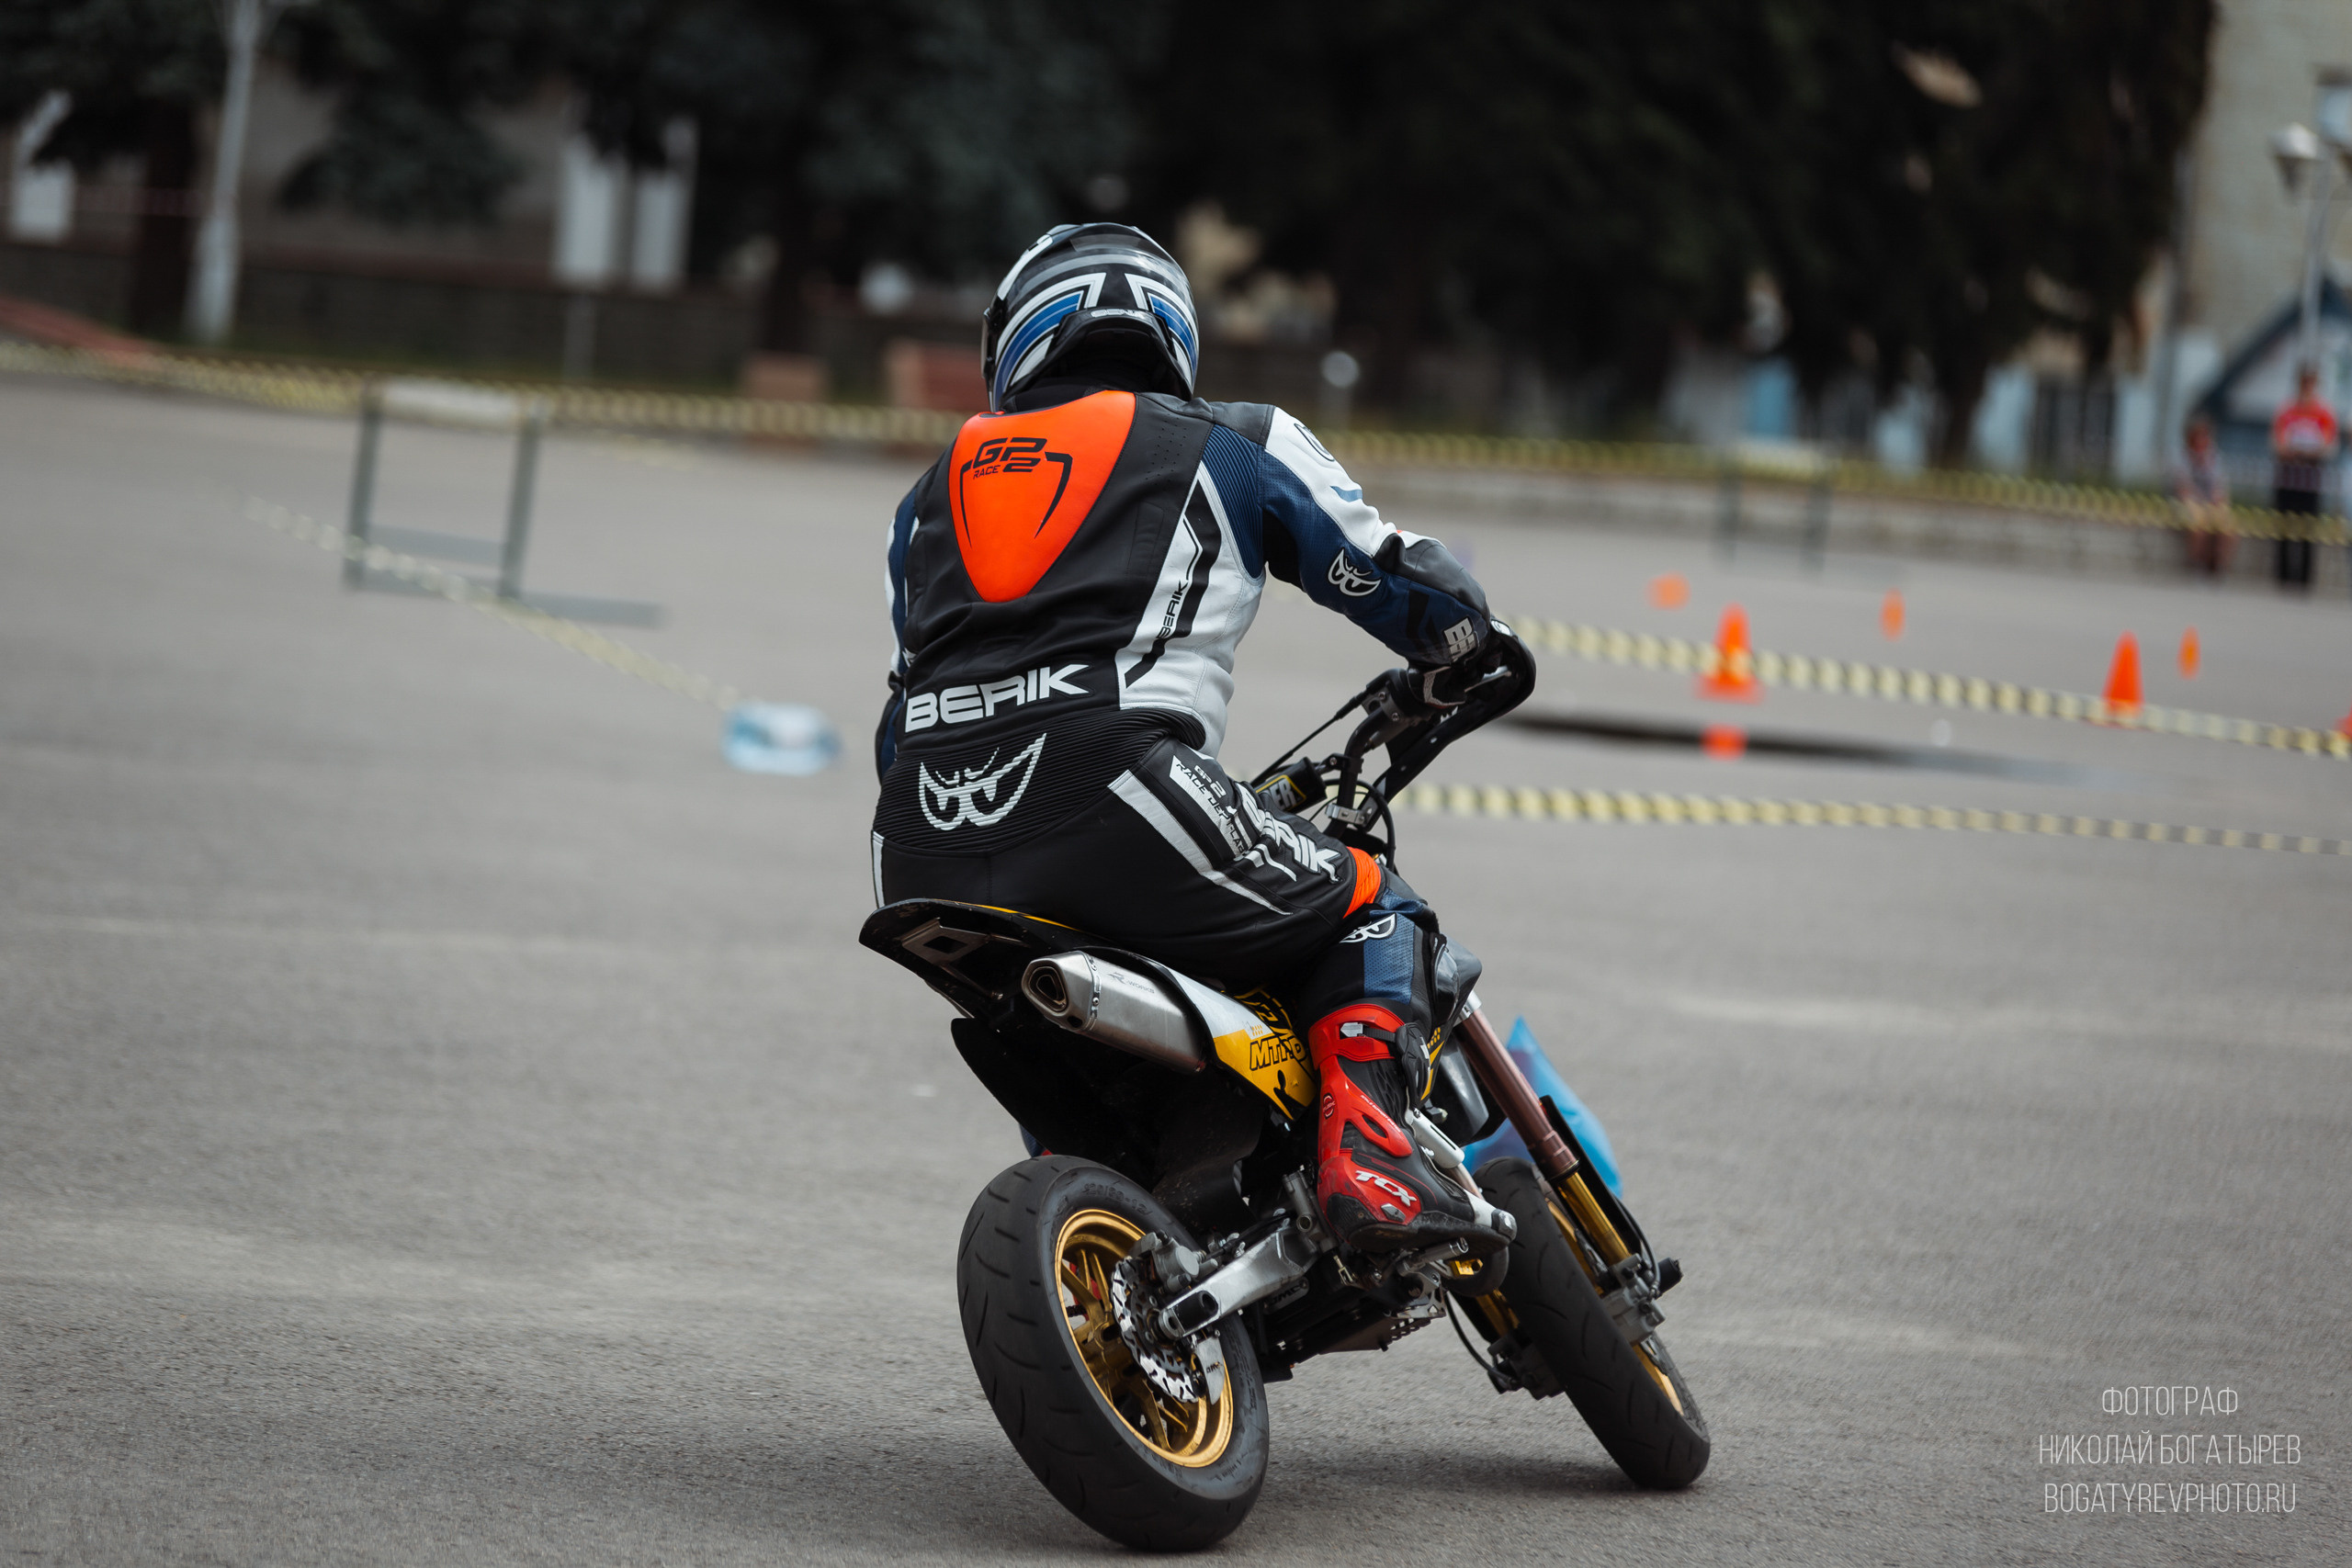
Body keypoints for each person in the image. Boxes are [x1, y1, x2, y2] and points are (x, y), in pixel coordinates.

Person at [870, 223, 1516, 1258]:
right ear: (1170, 330)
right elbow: (1401, 585)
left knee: (1046, 1032)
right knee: (1371, 908)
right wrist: (1463, 640)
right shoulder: (1229, 437)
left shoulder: (926, 495)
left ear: (1014, 337)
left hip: (917, 841)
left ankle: (1104, 1201)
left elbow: (905, 703)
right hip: (1119, 787)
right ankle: (1371, 1162)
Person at [2269, 365, 2340, 590]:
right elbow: (2277, 443)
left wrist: (2311, 451)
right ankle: (2283, 577)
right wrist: (2291, 450)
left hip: (2310, 478)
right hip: (2288, 476)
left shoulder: (2323, 412)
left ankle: (2304, 579)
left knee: (2307, 529)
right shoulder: (2287, 410)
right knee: (2284, 527)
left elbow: (2329, 446)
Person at [2173, 415, 2231, 578]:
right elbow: (2183, 488)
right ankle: (2197, 565)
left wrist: (2216, 499)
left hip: (2209, 503)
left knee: (2227, 529)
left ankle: (2218, 567)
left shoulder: (2214, 457)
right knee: (2199, 527)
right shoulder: (2182, 457)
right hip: (2192, 502)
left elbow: (2220, 486)